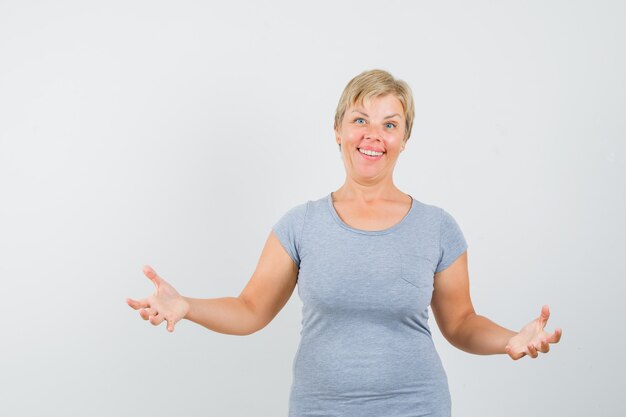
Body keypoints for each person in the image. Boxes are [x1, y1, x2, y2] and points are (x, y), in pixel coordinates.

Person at [126, 69, 562, 417]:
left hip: (417, 407)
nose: (373, 135)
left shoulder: (437, 227)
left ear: (403, 140)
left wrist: (510, 338)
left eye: (389, 124)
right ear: (337, 131)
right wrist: (187, 305)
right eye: (360, 120)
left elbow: (462, 322)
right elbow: (250, 309)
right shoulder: (301, 225)